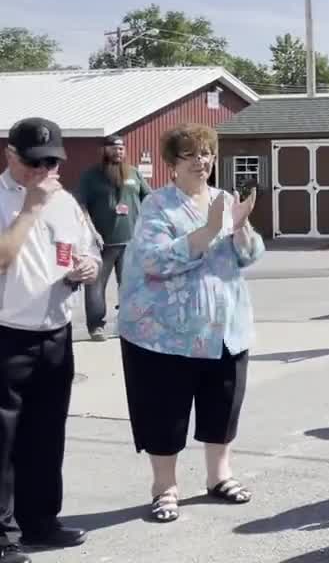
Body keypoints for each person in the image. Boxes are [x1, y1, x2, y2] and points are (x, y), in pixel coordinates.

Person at [114, 123, 263, 524]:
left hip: (226, 329)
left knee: (222, 406)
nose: (202, 161)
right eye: (192, 154)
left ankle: (219, 477)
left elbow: (250, 256)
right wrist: (211, 229)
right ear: (172, 163)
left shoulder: (223, 197)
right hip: (166, 334)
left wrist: (242, 226)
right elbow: (153, 261)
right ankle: (165, 488)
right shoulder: (157, 205)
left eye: (207, 153)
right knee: (166, 412)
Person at [0, 118, 98, 563]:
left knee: (46, 435)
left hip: (55, 332)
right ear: (10, 155)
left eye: (51, 163)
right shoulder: (8, 199)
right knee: (4, 441)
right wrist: (31, 209)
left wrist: (87, 267)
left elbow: (86, 247)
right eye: (34, 163)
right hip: (7, 335)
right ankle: (3, 537)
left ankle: (41, 522)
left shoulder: (66, 201)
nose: (43, 172)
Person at [76, 134, 150, 342]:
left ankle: (128, 322)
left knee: (130, 285)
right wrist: (93, 232)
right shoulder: (91, 176)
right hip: (102, 243)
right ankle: (96, 326)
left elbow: (149, 198)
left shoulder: (134, 173)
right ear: (104, 150)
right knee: (95, 286)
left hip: (130, 241)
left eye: (121, 148)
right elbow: (81, 206)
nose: (118, 151)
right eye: (114, 148)